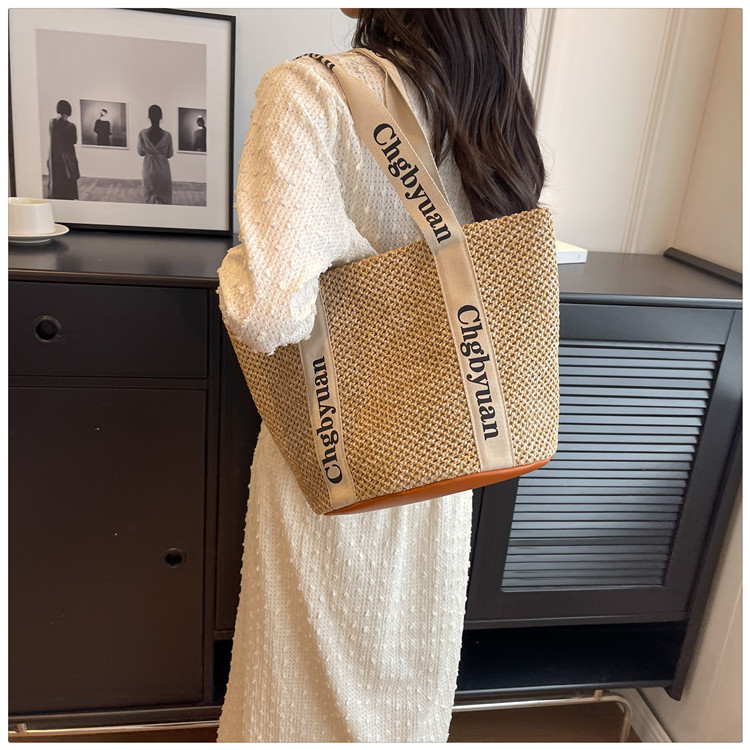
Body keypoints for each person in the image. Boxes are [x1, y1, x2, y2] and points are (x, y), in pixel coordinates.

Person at [215, 8, 545, 743]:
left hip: (330, 459)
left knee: (293, 699)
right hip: (447, 462)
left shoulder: (308, 91)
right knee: (406, 696)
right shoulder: (494, 112)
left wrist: (252, 261)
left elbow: (269, 312)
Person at [137, 104, 173, 204]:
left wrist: (150, 152)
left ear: (149, 117)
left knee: (148, 199)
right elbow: (170, 154)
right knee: (165, 201)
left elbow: (140, 152)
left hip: (149, 170)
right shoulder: (168, 135)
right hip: (163, 170)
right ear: (161, 117)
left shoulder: (142, 134)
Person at [47, 99, 80, 200]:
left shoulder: (52, 123)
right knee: (69, 181)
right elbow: (74, 141)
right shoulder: (71, 126)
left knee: (57, 181)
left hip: (55, 157)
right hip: (67, 158)